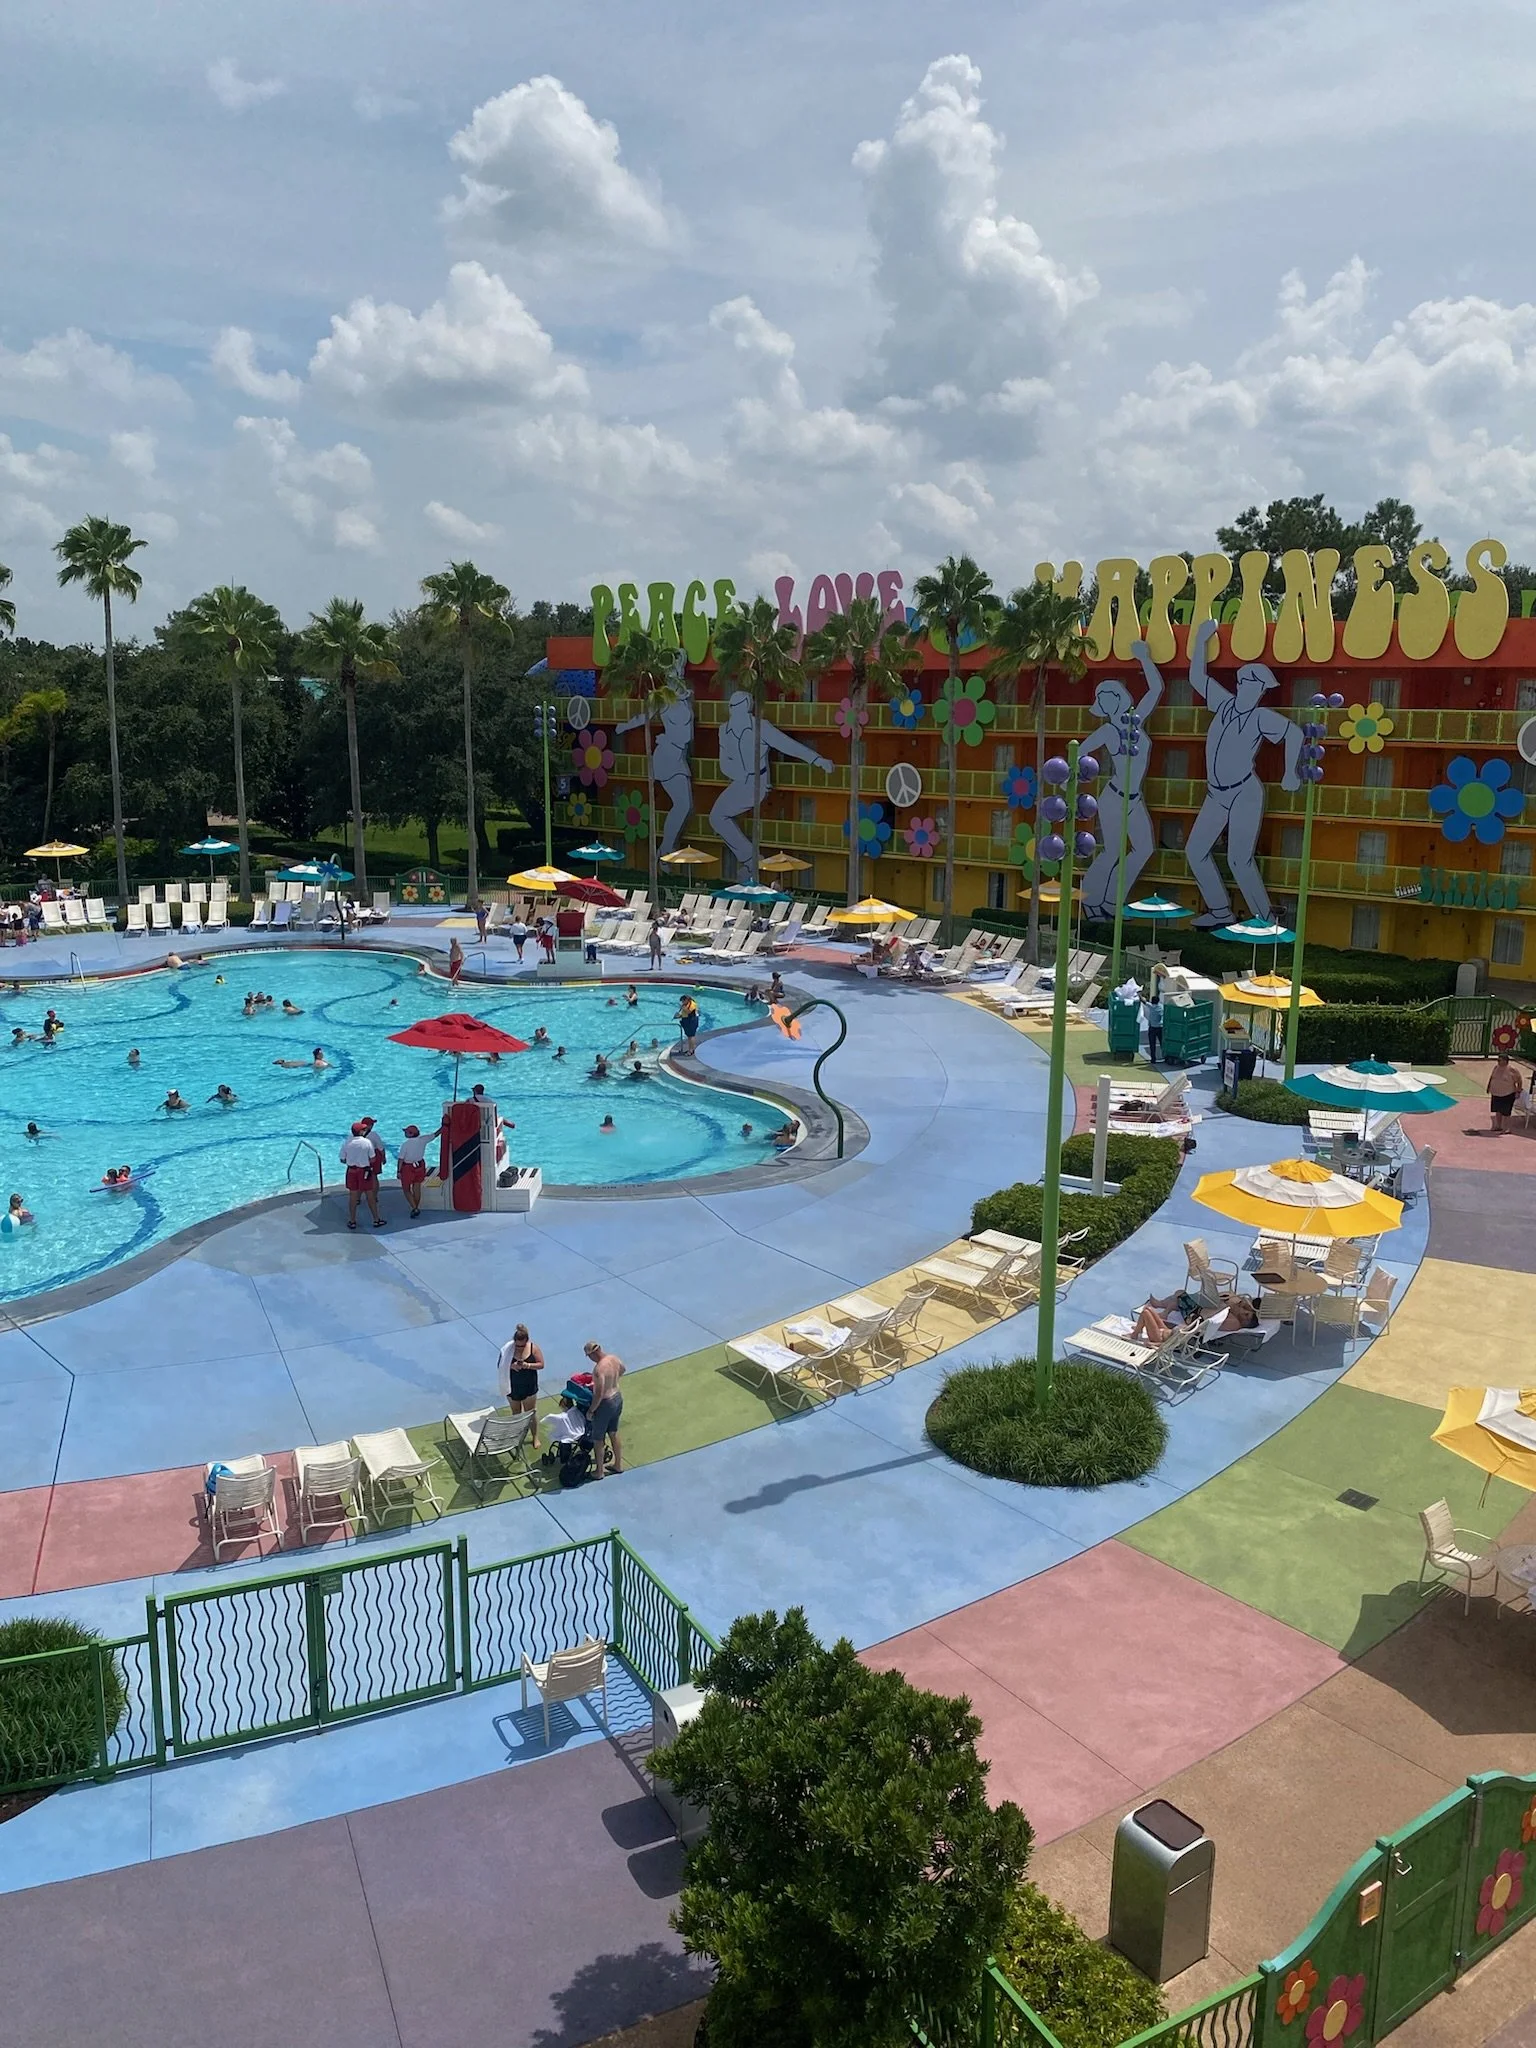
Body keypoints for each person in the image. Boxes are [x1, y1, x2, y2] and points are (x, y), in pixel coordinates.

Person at [497, 1323, 546, 1447]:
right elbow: (500, 1365)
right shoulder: (507, 1349)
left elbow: (541, 1364)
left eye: (522, 1345)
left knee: (531, 1412)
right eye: (517, 1346)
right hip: (513, 1386)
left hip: (529, 1385)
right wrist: (511, 1366)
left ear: (527, 1341)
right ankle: (517, 1436)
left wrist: (527, 1365)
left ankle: (535, 1436)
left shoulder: (533, 1348)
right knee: (516, 1413)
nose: (519, 1348)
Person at [583, 1339, 625, 1478]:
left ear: (592, 1354)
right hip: (617, 1397)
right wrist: (612, 1381)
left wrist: (591, 1410)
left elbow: (599, 1393)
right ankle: (618, 1464)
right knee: (613, 1431)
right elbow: (622, 1369)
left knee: (598, 1438)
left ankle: (599, 1471)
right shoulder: (613, 1358)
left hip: (606, 1403)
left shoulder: (599, 1369)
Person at [340, 1120, 384, 1229]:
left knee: (353, 1196)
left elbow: (342, 1159)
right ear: (360, 1132)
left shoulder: (347, 1143)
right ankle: (376, 1219)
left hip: (351, 1171)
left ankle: (352, 1220)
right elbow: (373, 1158)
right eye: (363, 1129)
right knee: (370, 1195)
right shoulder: (366, 1143)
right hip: (364, 1171)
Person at [397, 1123, 430, 1215]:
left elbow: (401, 1159)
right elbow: (435, 1134)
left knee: (406, 1189)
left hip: (408, 1167)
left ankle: (415, 1208)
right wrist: (444, 1126)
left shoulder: (406, 1144)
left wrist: (399, 1171)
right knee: (417, 1186)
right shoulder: (423, 1140)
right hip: (420, 1165)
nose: (405, 1133)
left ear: (410, 1134)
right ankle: (416, 1206)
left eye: (406, 1132)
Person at [1487, 1053, 1521, 1133]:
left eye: (1499, 1060)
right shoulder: (1496, 1067)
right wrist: (1488, 1087)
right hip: (1496, 1093)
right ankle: (1498, 1126)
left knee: (1506, 1112)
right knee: (1497, 1110)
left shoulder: (1512, 1069)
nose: (1498, 1061)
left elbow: (1519, 1080)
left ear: (1505, 1061)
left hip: (1508, 1093)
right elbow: (1492, 1078)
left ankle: (1506, 1128)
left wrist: (1518, 1091)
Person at [1144, 991, 1164, 1065]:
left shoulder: (1151, 1006)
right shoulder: (1161, 1007)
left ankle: (1153, 1059)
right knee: (1162, 1043)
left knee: (1152, 1044)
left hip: (1152, 1028)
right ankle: (1165, 1056)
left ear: (1152, 1001)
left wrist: (1139, 994)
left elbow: (1144, 1001)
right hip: (1160, 1028)